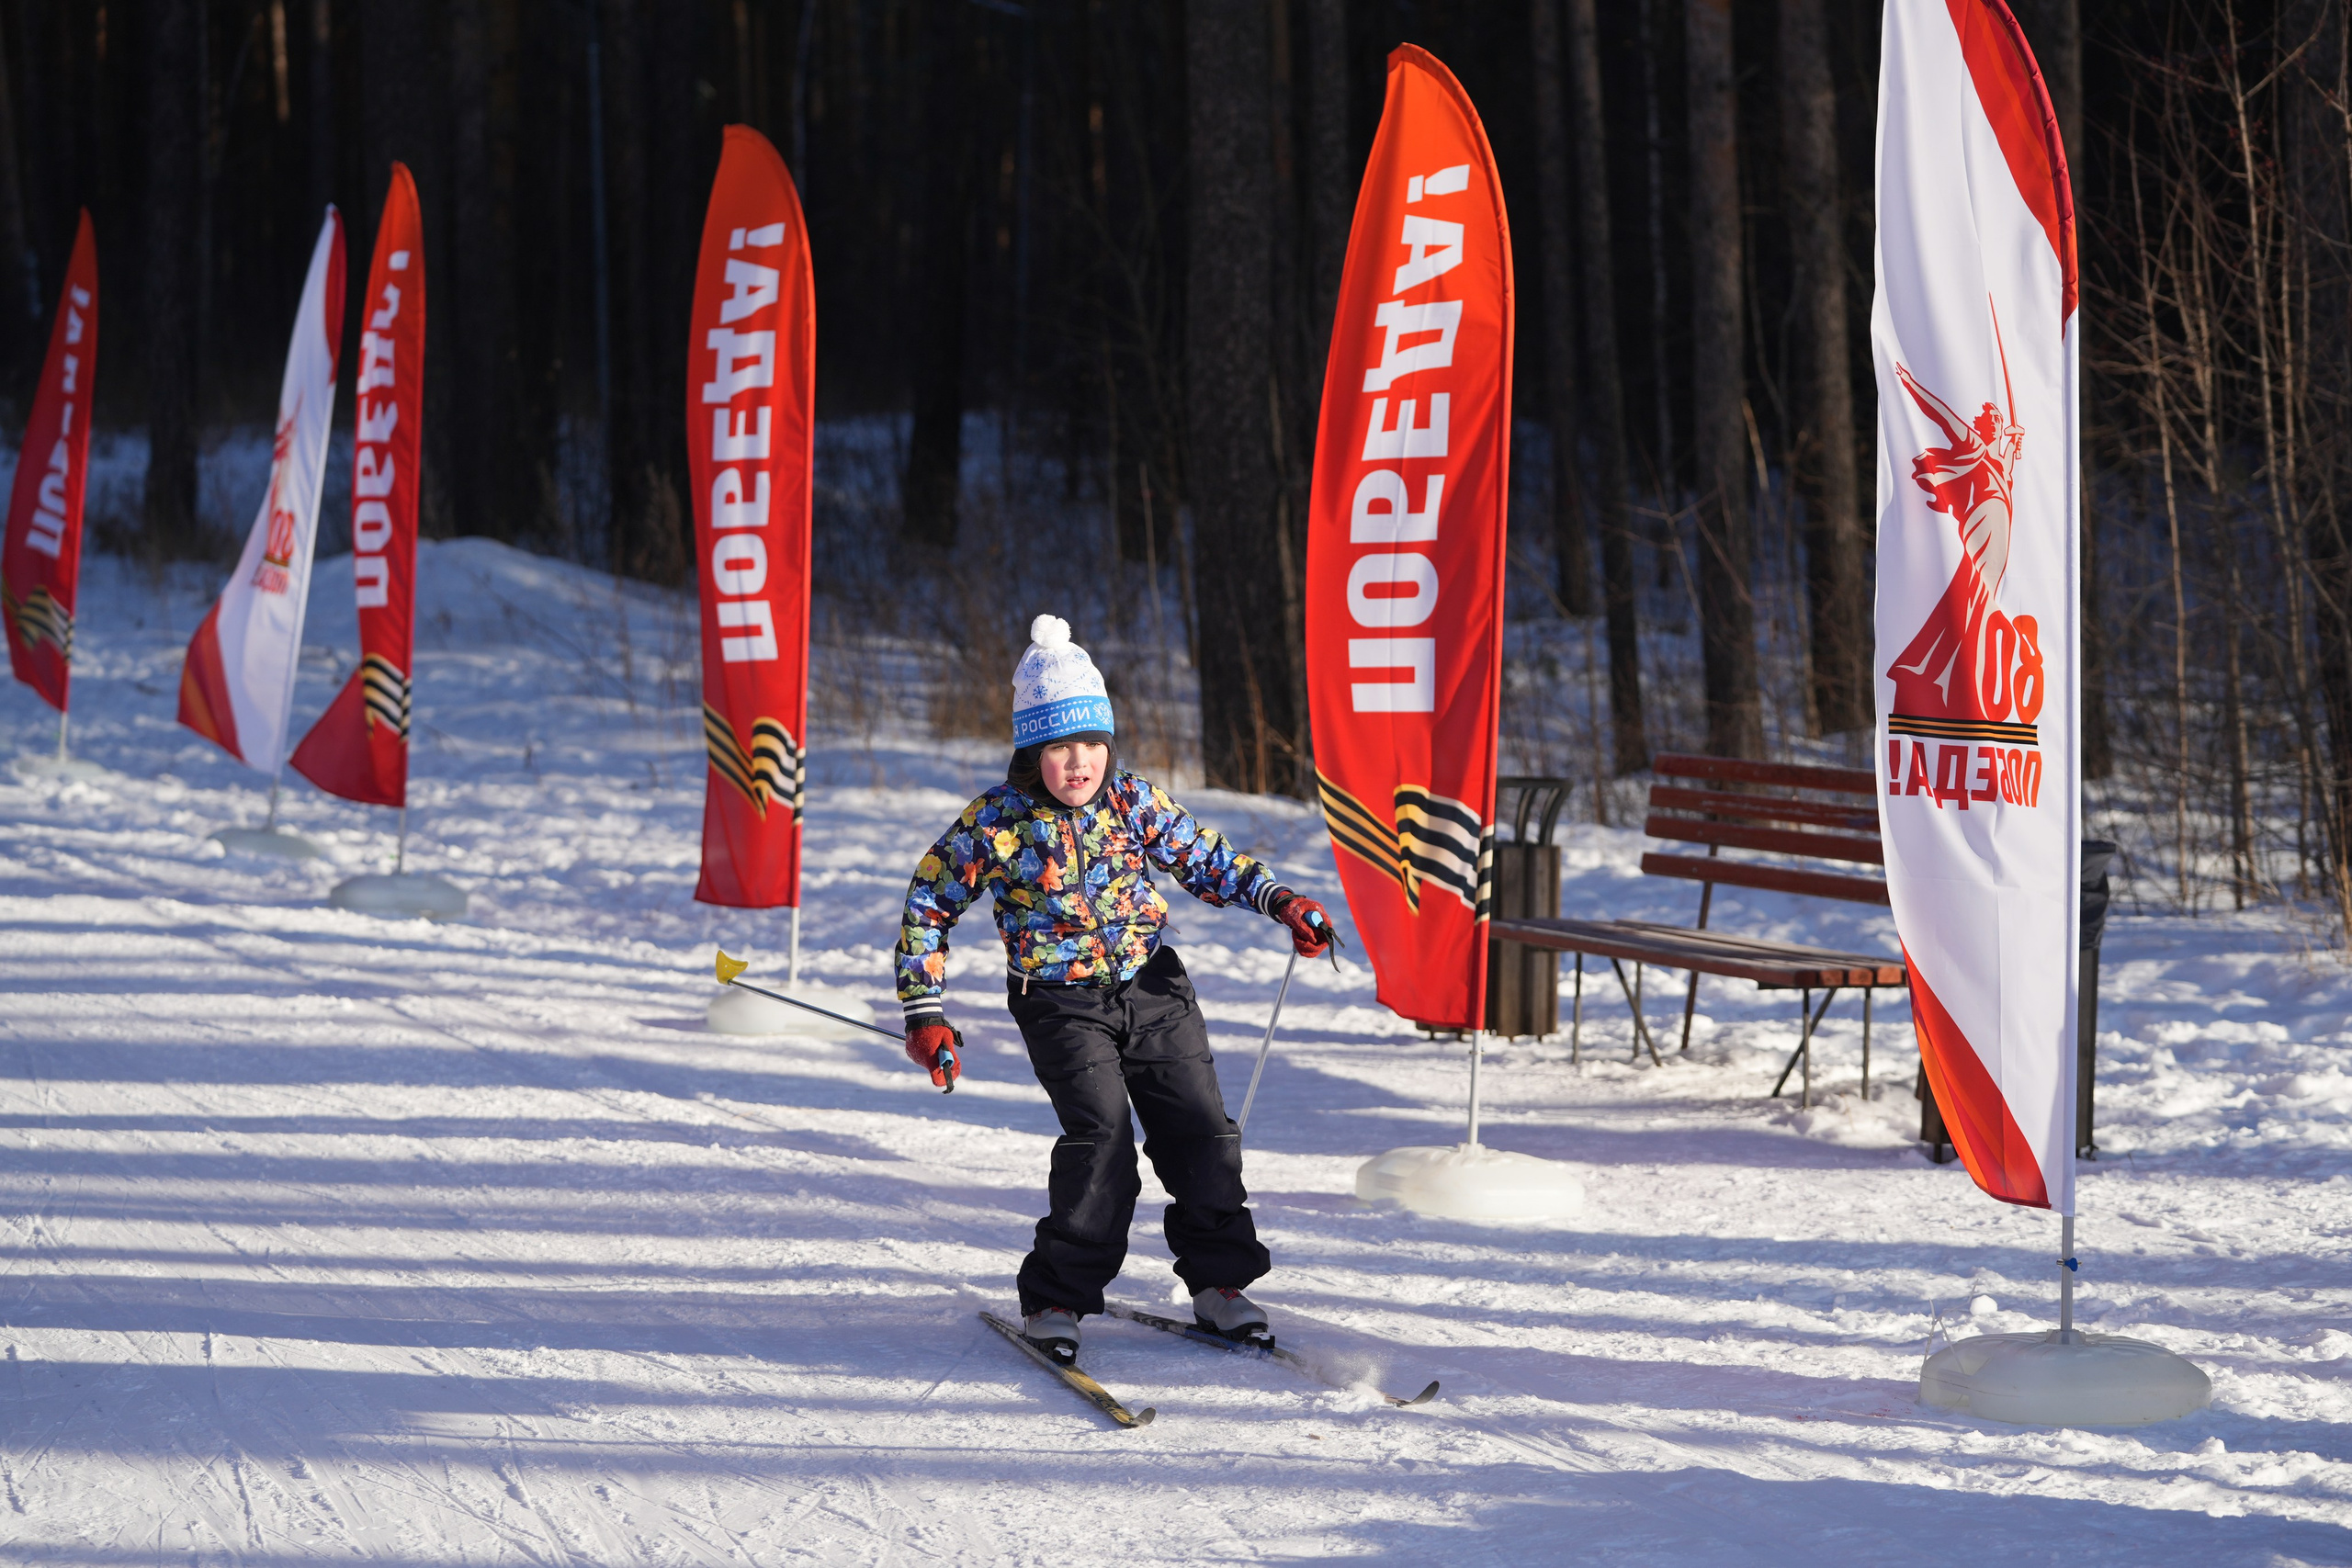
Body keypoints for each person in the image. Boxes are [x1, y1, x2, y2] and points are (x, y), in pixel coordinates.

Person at [895, 615, 1337, 1366]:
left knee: (1201, 1130)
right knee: (1102, 1140)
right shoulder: (997, 822)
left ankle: (1221, 1284)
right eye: (1061, 746)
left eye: (1093, 743)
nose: (1080, 763)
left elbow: (1207, 857)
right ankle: (1058, 1295)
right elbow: (928, 905)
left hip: (1153, 985)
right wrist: (924, 1010)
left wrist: (1280, 900)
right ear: (1034, 750)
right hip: (1058, 999)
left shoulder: (1131, 800)